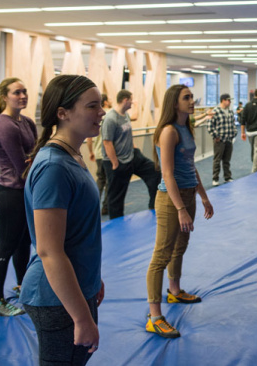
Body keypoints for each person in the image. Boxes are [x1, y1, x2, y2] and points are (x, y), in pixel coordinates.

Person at [21, 75, 106, 365]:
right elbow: (49, 251)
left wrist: (92, 279)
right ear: (63, 113)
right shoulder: (54, 167)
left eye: (101, 104)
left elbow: (77, 234)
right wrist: (81, 318)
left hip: (75, 288)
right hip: (55, 298)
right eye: (92, 106)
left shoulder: (73, 157)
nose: (102, 112)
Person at [145, 85, 214, 339]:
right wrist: (181, 209)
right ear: (175, 103)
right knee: (161, 256)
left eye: (191, 97)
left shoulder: (187, 128)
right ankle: (154, 317)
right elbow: (167, 174)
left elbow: (189, 166)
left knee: (180, 246)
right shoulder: (169, 132)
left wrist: (203, 196)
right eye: (186, 97)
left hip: (187, 194)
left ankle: (174, 290)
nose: (192, 101)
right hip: (170, 199)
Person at [0, 78, 37, 316]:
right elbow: (22, 166)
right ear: (5, 96)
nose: (23, 95)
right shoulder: (4, 125)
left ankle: (22, 285)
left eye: (25, 91)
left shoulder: (26, 121)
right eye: (17, 92)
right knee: (6, 247)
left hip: (24, 191)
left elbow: (35, 153)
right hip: (10, 193)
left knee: (24, 242)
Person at [101, 90, 161, 219]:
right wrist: (115, 163)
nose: (132, 104)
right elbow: (107, 142)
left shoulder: (125, 115)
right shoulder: (111, 118)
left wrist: (134, 148)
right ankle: (116, 222)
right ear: (125, 100)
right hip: (117, 161)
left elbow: (127, 132)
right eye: (131, 101)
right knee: (116, 195)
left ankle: (154, 205)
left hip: (132, 156)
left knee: (154, 171)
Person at [86, 94, 112, 215]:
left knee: (100, 180)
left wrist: (91, 152)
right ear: (105, 102)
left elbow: (89, 139)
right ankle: (106, 207)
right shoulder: (109, 116)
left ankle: (93, 205)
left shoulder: (94, 118)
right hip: (106, 155)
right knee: (108, 181)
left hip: (98, 154)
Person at [209, 94, 237, 186]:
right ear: (223, 100)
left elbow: (233, 124)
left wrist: (234, 134)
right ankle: (215, 178)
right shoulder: (215, 111)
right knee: (217, 160)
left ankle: (227, 177)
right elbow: (210, 126)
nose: (230, 102)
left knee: (227, 160)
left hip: (229, 139)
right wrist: (215, 136)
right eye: (228, 100)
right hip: (219, 140)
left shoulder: (230, 111)